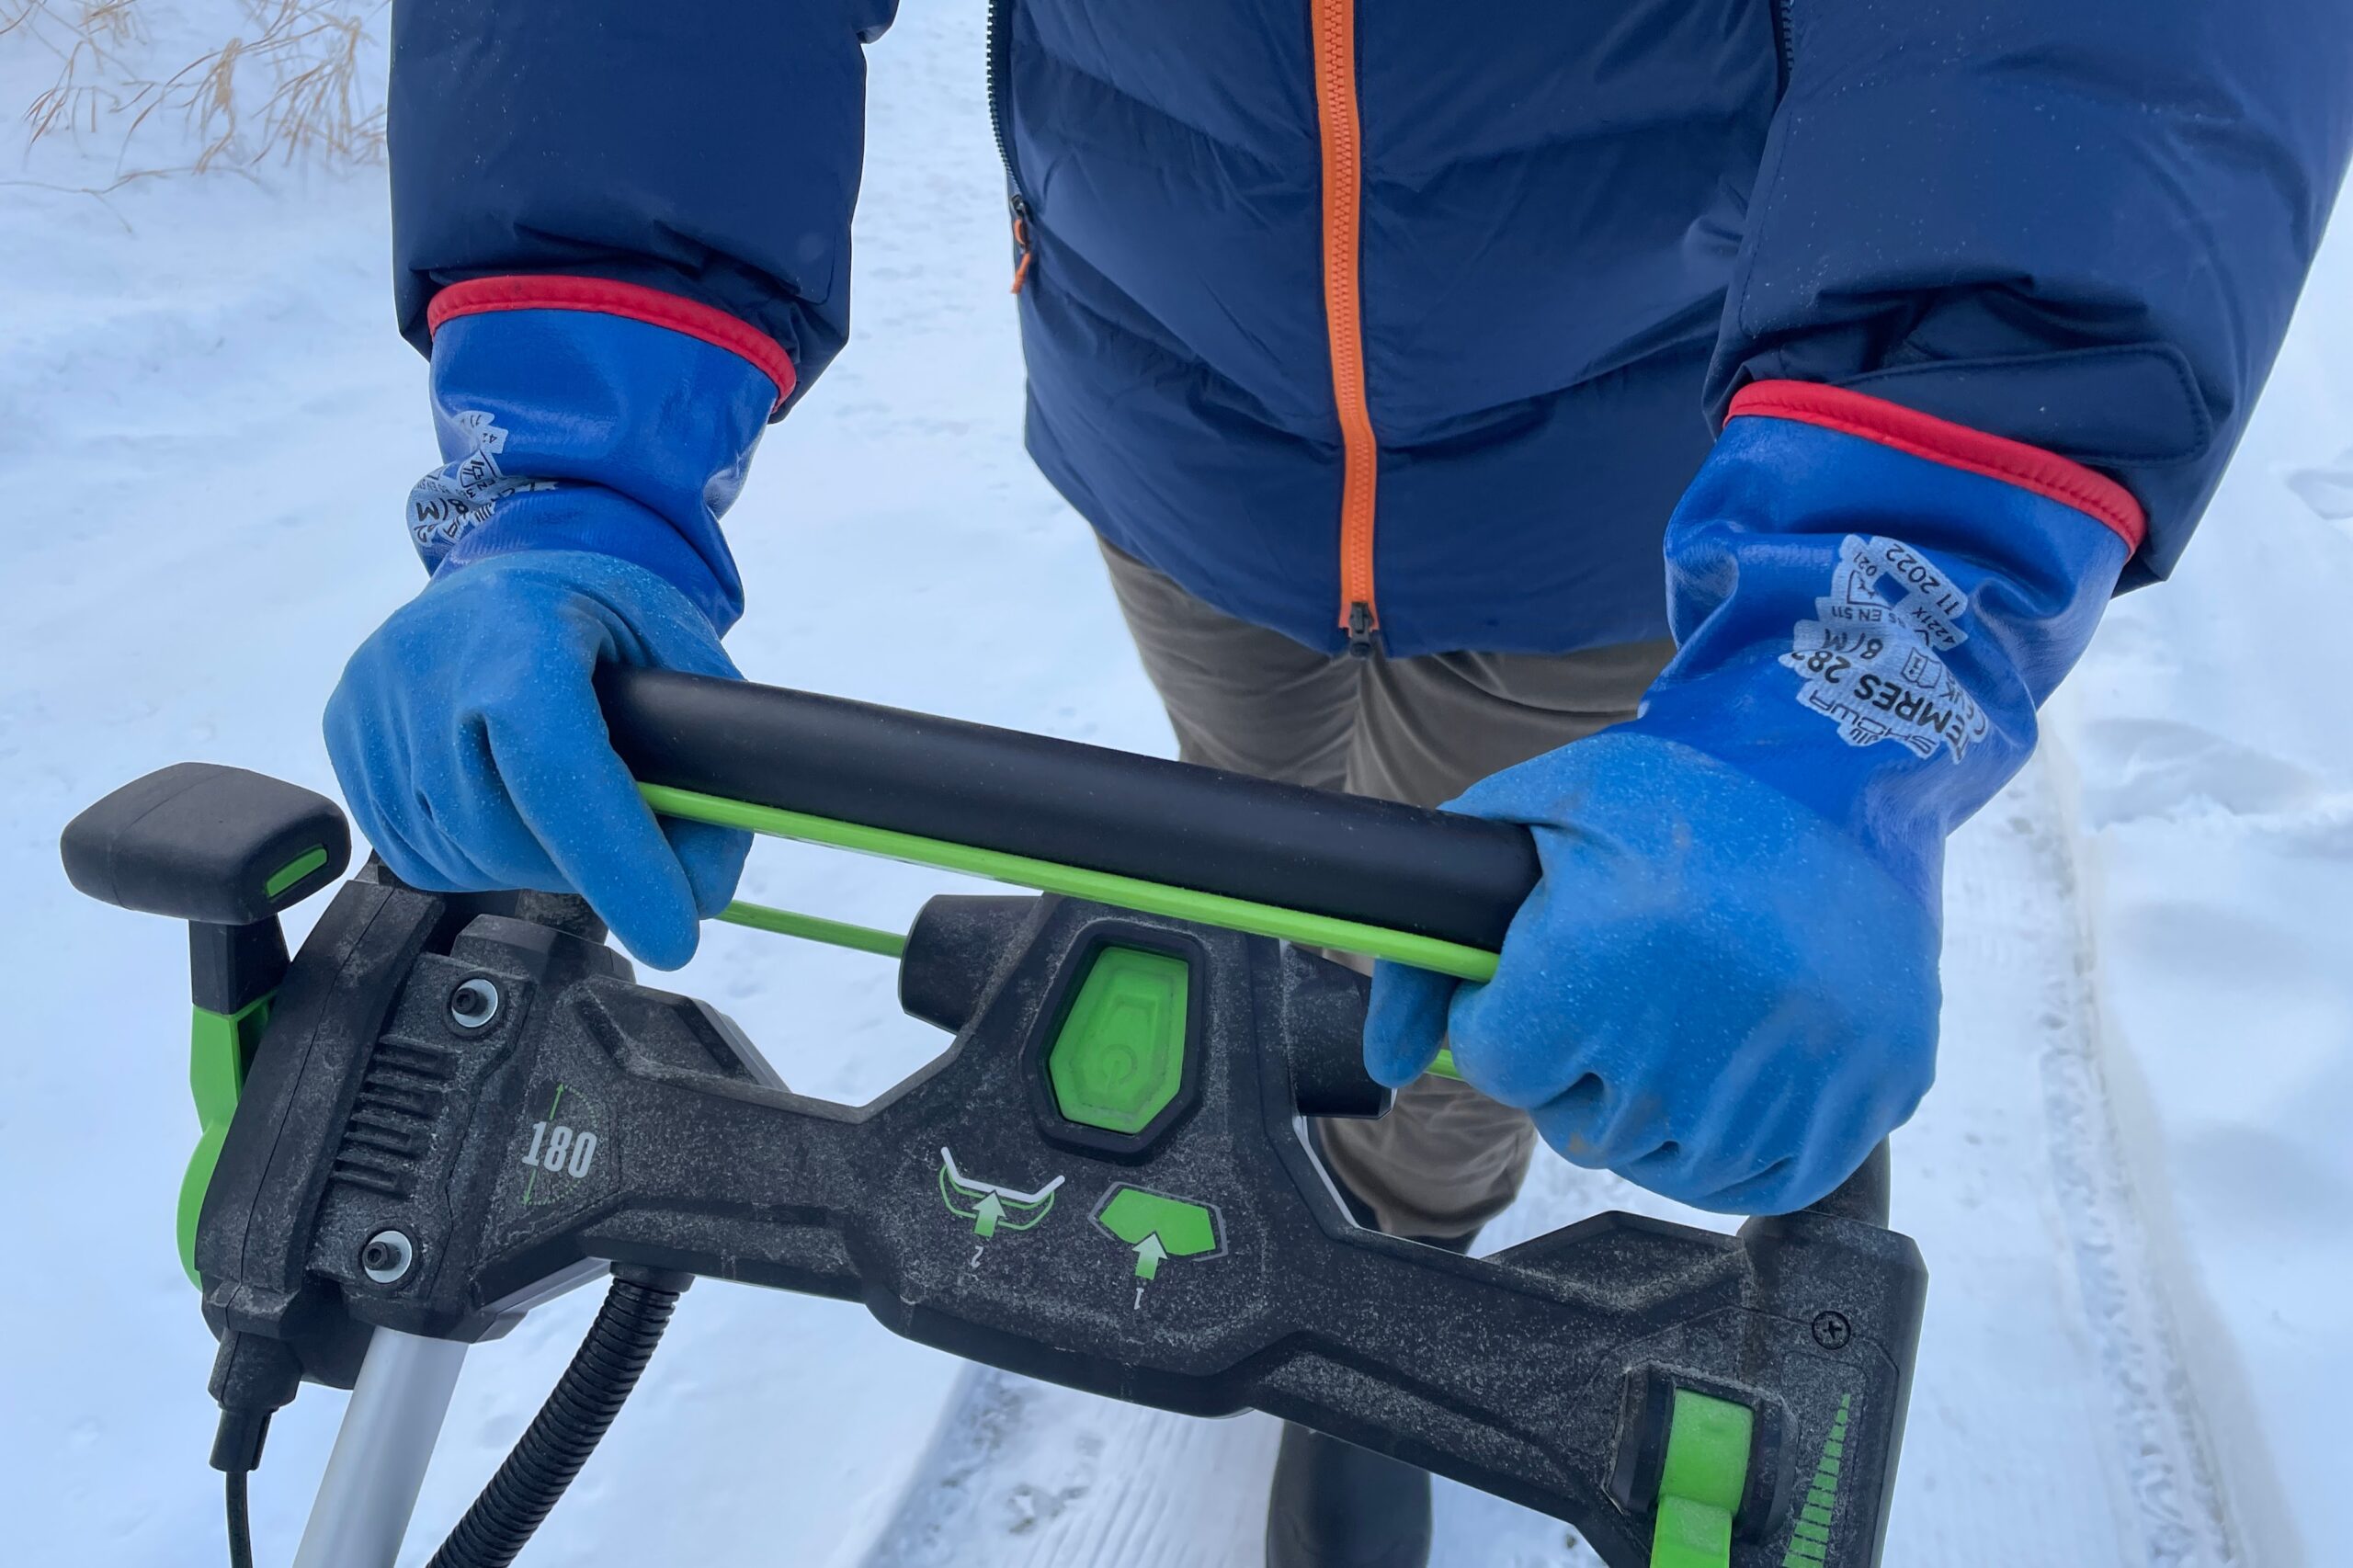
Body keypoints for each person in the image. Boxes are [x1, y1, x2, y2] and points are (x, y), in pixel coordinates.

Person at [327, 6, 2350, 1564]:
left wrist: (1853, 684)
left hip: (1605, 508)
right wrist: (567, 448)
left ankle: (1397, 1261)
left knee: (1479, 972)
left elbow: (2073, 57)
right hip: (1177, 457)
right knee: (1266, 822)